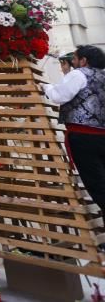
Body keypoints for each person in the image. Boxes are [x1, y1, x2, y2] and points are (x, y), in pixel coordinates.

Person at [44, 44, 105, 211]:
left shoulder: (79, 74)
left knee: (97, 185)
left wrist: (46, 87)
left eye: (75, 59)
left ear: (84, 61)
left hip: (85, 138)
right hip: (102, 136)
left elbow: (59, 96)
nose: (73, 62)